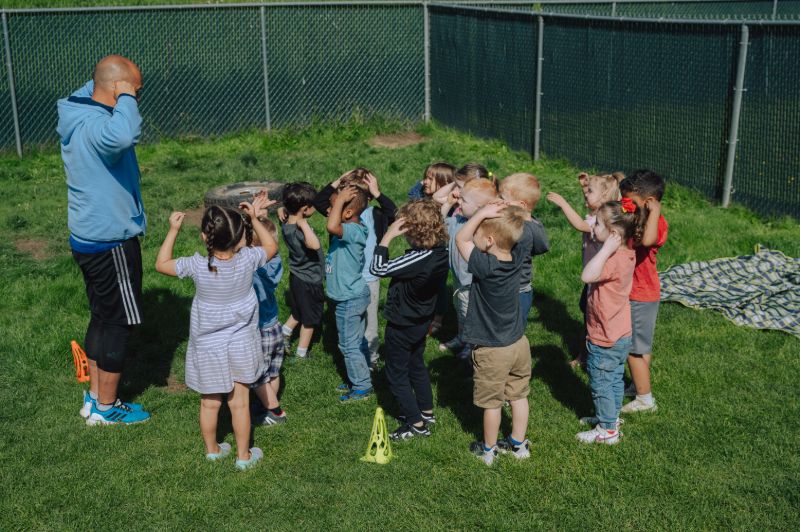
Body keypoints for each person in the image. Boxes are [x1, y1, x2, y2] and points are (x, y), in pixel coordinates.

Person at [57, 55, 150, 425]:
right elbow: (124, 134)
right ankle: (108, 409)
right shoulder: (99, 128)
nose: (136, 99)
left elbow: (97, 82)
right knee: (118, 324)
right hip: (112, 241)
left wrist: (116, 86)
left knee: (101, 316)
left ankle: (95, 399)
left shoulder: (78, 110)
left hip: (87, 236)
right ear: (116, 89)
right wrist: (125, 95)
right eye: (134, 92)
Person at [155, 197, 277, 470]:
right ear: (240, 239)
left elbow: (161, 264)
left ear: (203, 237)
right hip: (242, 345)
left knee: (210, 403)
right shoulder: (248, 259)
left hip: (208, 347)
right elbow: (271, 245)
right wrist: (255, 219)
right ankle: (244, 457)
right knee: (240, 404)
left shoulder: (197, 266)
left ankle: (212, 451)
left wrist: (173, 231)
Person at [455, 202, 530, 465]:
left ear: (488, 241)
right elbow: (523, 233)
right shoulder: (517, 257)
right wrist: (516, 213)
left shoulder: (486, 266)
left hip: (492, 349)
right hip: (518, 342)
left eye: (479, 234)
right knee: (518, 395)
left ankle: (488, 450)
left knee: (492, 403)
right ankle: (519, 446)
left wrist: (481, 214)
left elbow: (460, 238)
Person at [369, 200, 449, 440]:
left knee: (396, 374)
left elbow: (378, 269)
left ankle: (416, 424)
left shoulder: (418, 258)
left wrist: (386, 238)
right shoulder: (441, 251)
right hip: (421, 319)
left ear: (412, 231)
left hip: (403, 323)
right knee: (416, 364)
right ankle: (426, 411)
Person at [313, 169, 397, 370]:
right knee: (351, 321)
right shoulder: (339, 213)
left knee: (369, 322)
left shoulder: (374, 215)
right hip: (345, 277)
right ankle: (355, 355)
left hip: (368, 276)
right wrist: (338, 181)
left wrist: (377, 193)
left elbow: (393, 212)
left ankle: (372, 358)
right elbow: (319, 202)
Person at [576, 199, 639, 444]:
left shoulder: (611, 260)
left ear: (613, 235)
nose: (592, 225)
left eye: (598, 223)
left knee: (601, 381)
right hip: (621, 332)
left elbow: (586, 275)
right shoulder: (627, 253)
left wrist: (604, 250)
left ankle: (607, 430)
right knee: (613, 378)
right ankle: (611, 418)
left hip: (605, 335)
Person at [547, 173, 620, 367]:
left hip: (599, 279)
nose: (585, 194)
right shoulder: (598, 215)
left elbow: (580, 225)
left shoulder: (601, 222)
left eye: (590, 191)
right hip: (592, 278)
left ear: (604, 198)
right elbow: (591, 203)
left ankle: (593, 355)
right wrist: (585, 188)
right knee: (587, 315)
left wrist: (563, 204)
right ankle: (584, 355)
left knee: (592, 317)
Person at [619, 170, 669, 414]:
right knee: (641, 347)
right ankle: (637, 385)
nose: (627, 205)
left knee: (634, 350)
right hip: (640, 292)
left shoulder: (656, 222)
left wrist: (655, 211)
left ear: (649, 202)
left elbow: (648, 241)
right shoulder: (639, 216)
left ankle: (645, 399)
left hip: (642, 294)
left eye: (632, 202)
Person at [436, 177, 498, 363]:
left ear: (480, 207)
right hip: (458, 279)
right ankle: (462, 337)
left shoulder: (485, 228)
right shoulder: (458, 220)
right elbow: (438, 224)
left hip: (473, 283)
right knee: (460, 312)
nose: (459, 202)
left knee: (471, 315)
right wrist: (447, 203)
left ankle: (472, 348)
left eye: (464, 200)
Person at [324, 185, 374, 401]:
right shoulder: (351, 227)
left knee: (348, 345)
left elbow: (331, 226)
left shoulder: (352, 231)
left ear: (347, 213)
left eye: (333, 207)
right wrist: (340, 198)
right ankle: (360, 374)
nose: (328, 210)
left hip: (349, 299)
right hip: (353, 295)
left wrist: (341, 199)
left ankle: (361, 386)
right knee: (357, 340)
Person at [250, 211, 288, 426]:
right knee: (274, 371)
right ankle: (265, 406)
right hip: (275, 326)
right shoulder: (276, 261)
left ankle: (274, 411)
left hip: (260, 329)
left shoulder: (253, 268)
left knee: (257, 374)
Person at [499, 173, 550, 331]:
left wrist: (528, 221)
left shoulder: (530, 226)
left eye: (503, 198)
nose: (500, 201)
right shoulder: (504, 217)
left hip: (519, 288)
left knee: (515, 329)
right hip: (500, 283)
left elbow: (542, 246)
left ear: (521, 204)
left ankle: (513, 352)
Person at [280, 182, 324, 360]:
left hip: (296, 276)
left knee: (298, 311)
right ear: (305, 209)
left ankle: (283, 334)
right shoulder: (299, 229)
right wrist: (305, 225)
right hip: (309, 280)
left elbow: (281, 213)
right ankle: (301, 354)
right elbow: (315, 244)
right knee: (310, 319)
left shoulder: (286, 224)